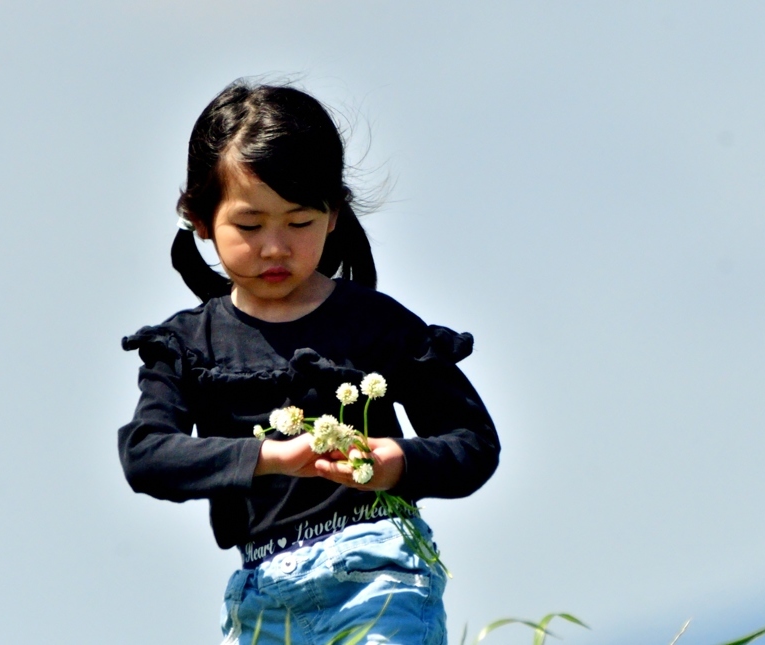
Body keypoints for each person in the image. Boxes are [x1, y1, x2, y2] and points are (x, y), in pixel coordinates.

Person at [118, 79, 500, 645]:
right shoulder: (186, 346)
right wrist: (269, 458)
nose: (276, 246)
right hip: (263, 599)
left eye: (299, 223)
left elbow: (473, 443)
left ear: (334, 216)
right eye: (249, 226)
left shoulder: (377, 323)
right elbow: (146, 455)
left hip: (380, 572)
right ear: (200, 221)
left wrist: (395, 461)